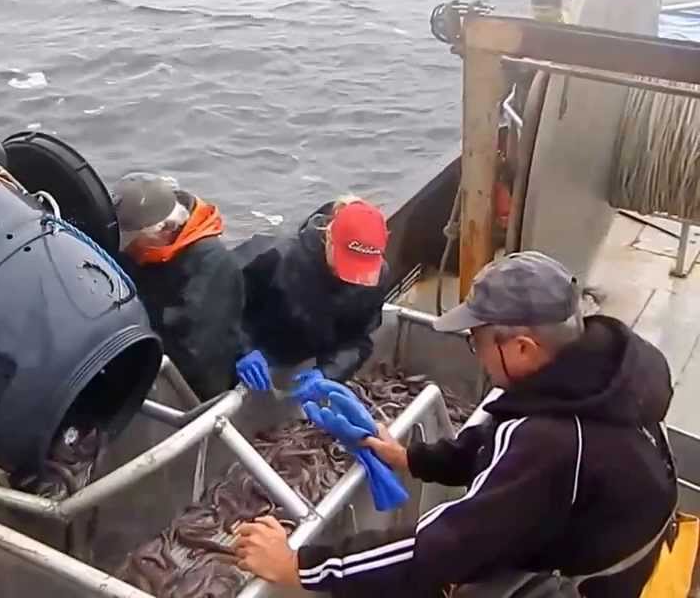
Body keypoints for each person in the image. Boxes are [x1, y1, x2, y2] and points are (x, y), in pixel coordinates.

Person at [234, 251, 677, 598]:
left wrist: (302, 566)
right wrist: (412, 458)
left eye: (476, 340)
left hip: (588, 587)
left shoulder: (551, 442)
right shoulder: (604, 372)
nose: (476, 352)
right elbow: (502, 447)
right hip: (603, 540)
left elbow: (441, 547)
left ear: (522, 348)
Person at [111, 172, 270, 400]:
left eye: (132, 240)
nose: (126, 247)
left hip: (191, 383)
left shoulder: (213, 266)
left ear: (164, 229)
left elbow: (195, 353)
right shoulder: (138, 244)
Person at [237, 196, 390, 385]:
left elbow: (358, 339)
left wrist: (329, 372)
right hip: (254, 355)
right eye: (348, 264)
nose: (354, 277)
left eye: (363, 269)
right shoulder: (274, 258)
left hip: (308, 360)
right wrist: (243, 349)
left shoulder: (376, 278)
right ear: (329, 239)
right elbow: (220, 307)